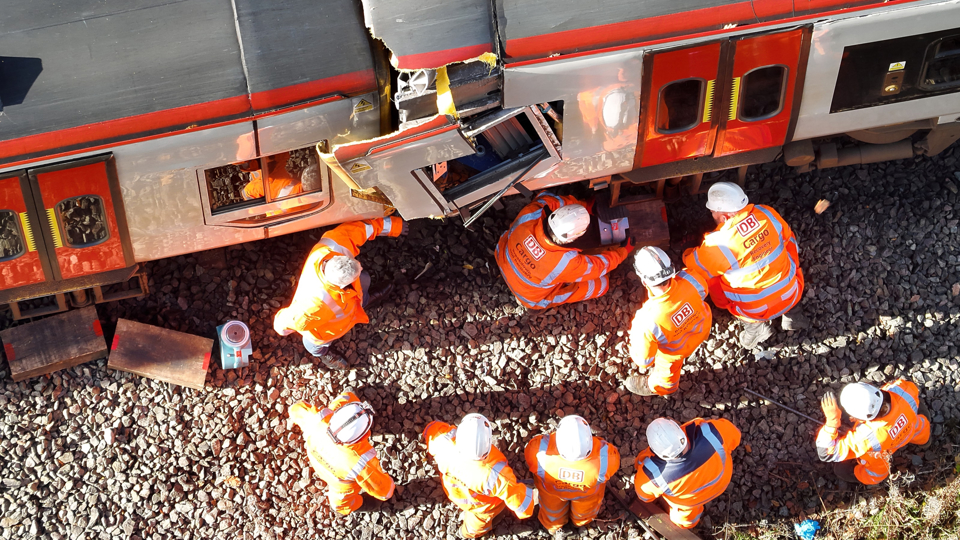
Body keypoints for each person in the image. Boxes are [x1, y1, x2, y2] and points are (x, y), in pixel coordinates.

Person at [682, 182, 805, 349]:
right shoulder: (766, 212)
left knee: (711, 277)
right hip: (792, 292)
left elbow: (694, 264)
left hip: (754, 310)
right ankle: (793, 314)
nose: (712, 215)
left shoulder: (718, 244)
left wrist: (687, 250)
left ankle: (755, 328)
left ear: (724, 217)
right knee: (787, 242)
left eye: (712, 212)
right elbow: (788, 239)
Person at [273, 217, 406, 369]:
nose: (361, 268)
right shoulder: (314, 306)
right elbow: (286, 322)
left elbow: (359, 229)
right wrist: (282, 329)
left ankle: (364, 301)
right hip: (329, 331)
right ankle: (324, 354)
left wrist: (394, 226)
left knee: (364, 279)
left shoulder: (333, 246)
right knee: (314, 345)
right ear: (343, 285)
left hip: (348, 301)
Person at [495, 191, 633, 309]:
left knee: (556, 274)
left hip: (502, 257)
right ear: (575, 237)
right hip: (529, 296)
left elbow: (546, 197)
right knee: (602, 284)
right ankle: (537, 307)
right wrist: (623, 251)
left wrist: (584, 207)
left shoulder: (532, 212)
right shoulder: (565, 263)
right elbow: (598, 266)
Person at [424, 414, 537, 538]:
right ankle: (467, 534)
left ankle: (465, 534)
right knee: (477, 524)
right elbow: (520, 502)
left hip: (455, 493)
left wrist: (428, 428)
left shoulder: (443, 441)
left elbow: (432, 429)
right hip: (482, 508)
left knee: (473, 525)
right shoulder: (496, 474)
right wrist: (528, 509)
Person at [287, 391, 395, 515]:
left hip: (317, 457)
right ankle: (363, 504)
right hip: (338, 483)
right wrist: (389, 491)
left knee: (346, 397)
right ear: (361, 438)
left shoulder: (318, 419)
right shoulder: (359, 462)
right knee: (340, 505)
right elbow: (382, 489)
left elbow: (296, 409)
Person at [626, 247, 712, 396]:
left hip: (675, 353)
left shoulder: (646, 320)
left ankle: (663, 388)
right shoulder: (691, 279)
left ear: (644, 281)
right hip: (702, 331)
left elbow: (644, 361)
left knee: (667, 372)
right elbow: (703, 292)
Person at [816, 379, 931, 485]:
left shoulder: (866, 437)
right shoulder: (901, 389)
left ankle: (872, 479)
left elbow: (826, 453)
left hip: (881, 456)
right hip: (912, 428)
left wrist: (832, 422)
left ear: (860, 419)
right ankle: (926, 442)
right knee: (920, 425)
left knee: (842, 470)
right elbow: (912, 388)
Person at [634, 417, 741, 530]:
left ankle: (691, 523)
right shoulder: (712, 432)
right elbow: (736, 434)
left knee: (683, 518)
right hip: (721, 482)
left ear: (655, 451)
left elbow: (644, 496)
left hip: (689, 504)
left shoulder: (653, 475)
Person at [524, 415, 620, 539]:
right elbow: (612, 457)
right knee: (584, 514)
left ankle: (553, 527)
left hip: (552, 493)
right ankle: (579, 524)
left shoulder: (537, 452)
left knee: (552, 513)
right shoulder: (607, 460)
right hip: (586, 495)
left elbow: (530, 453)